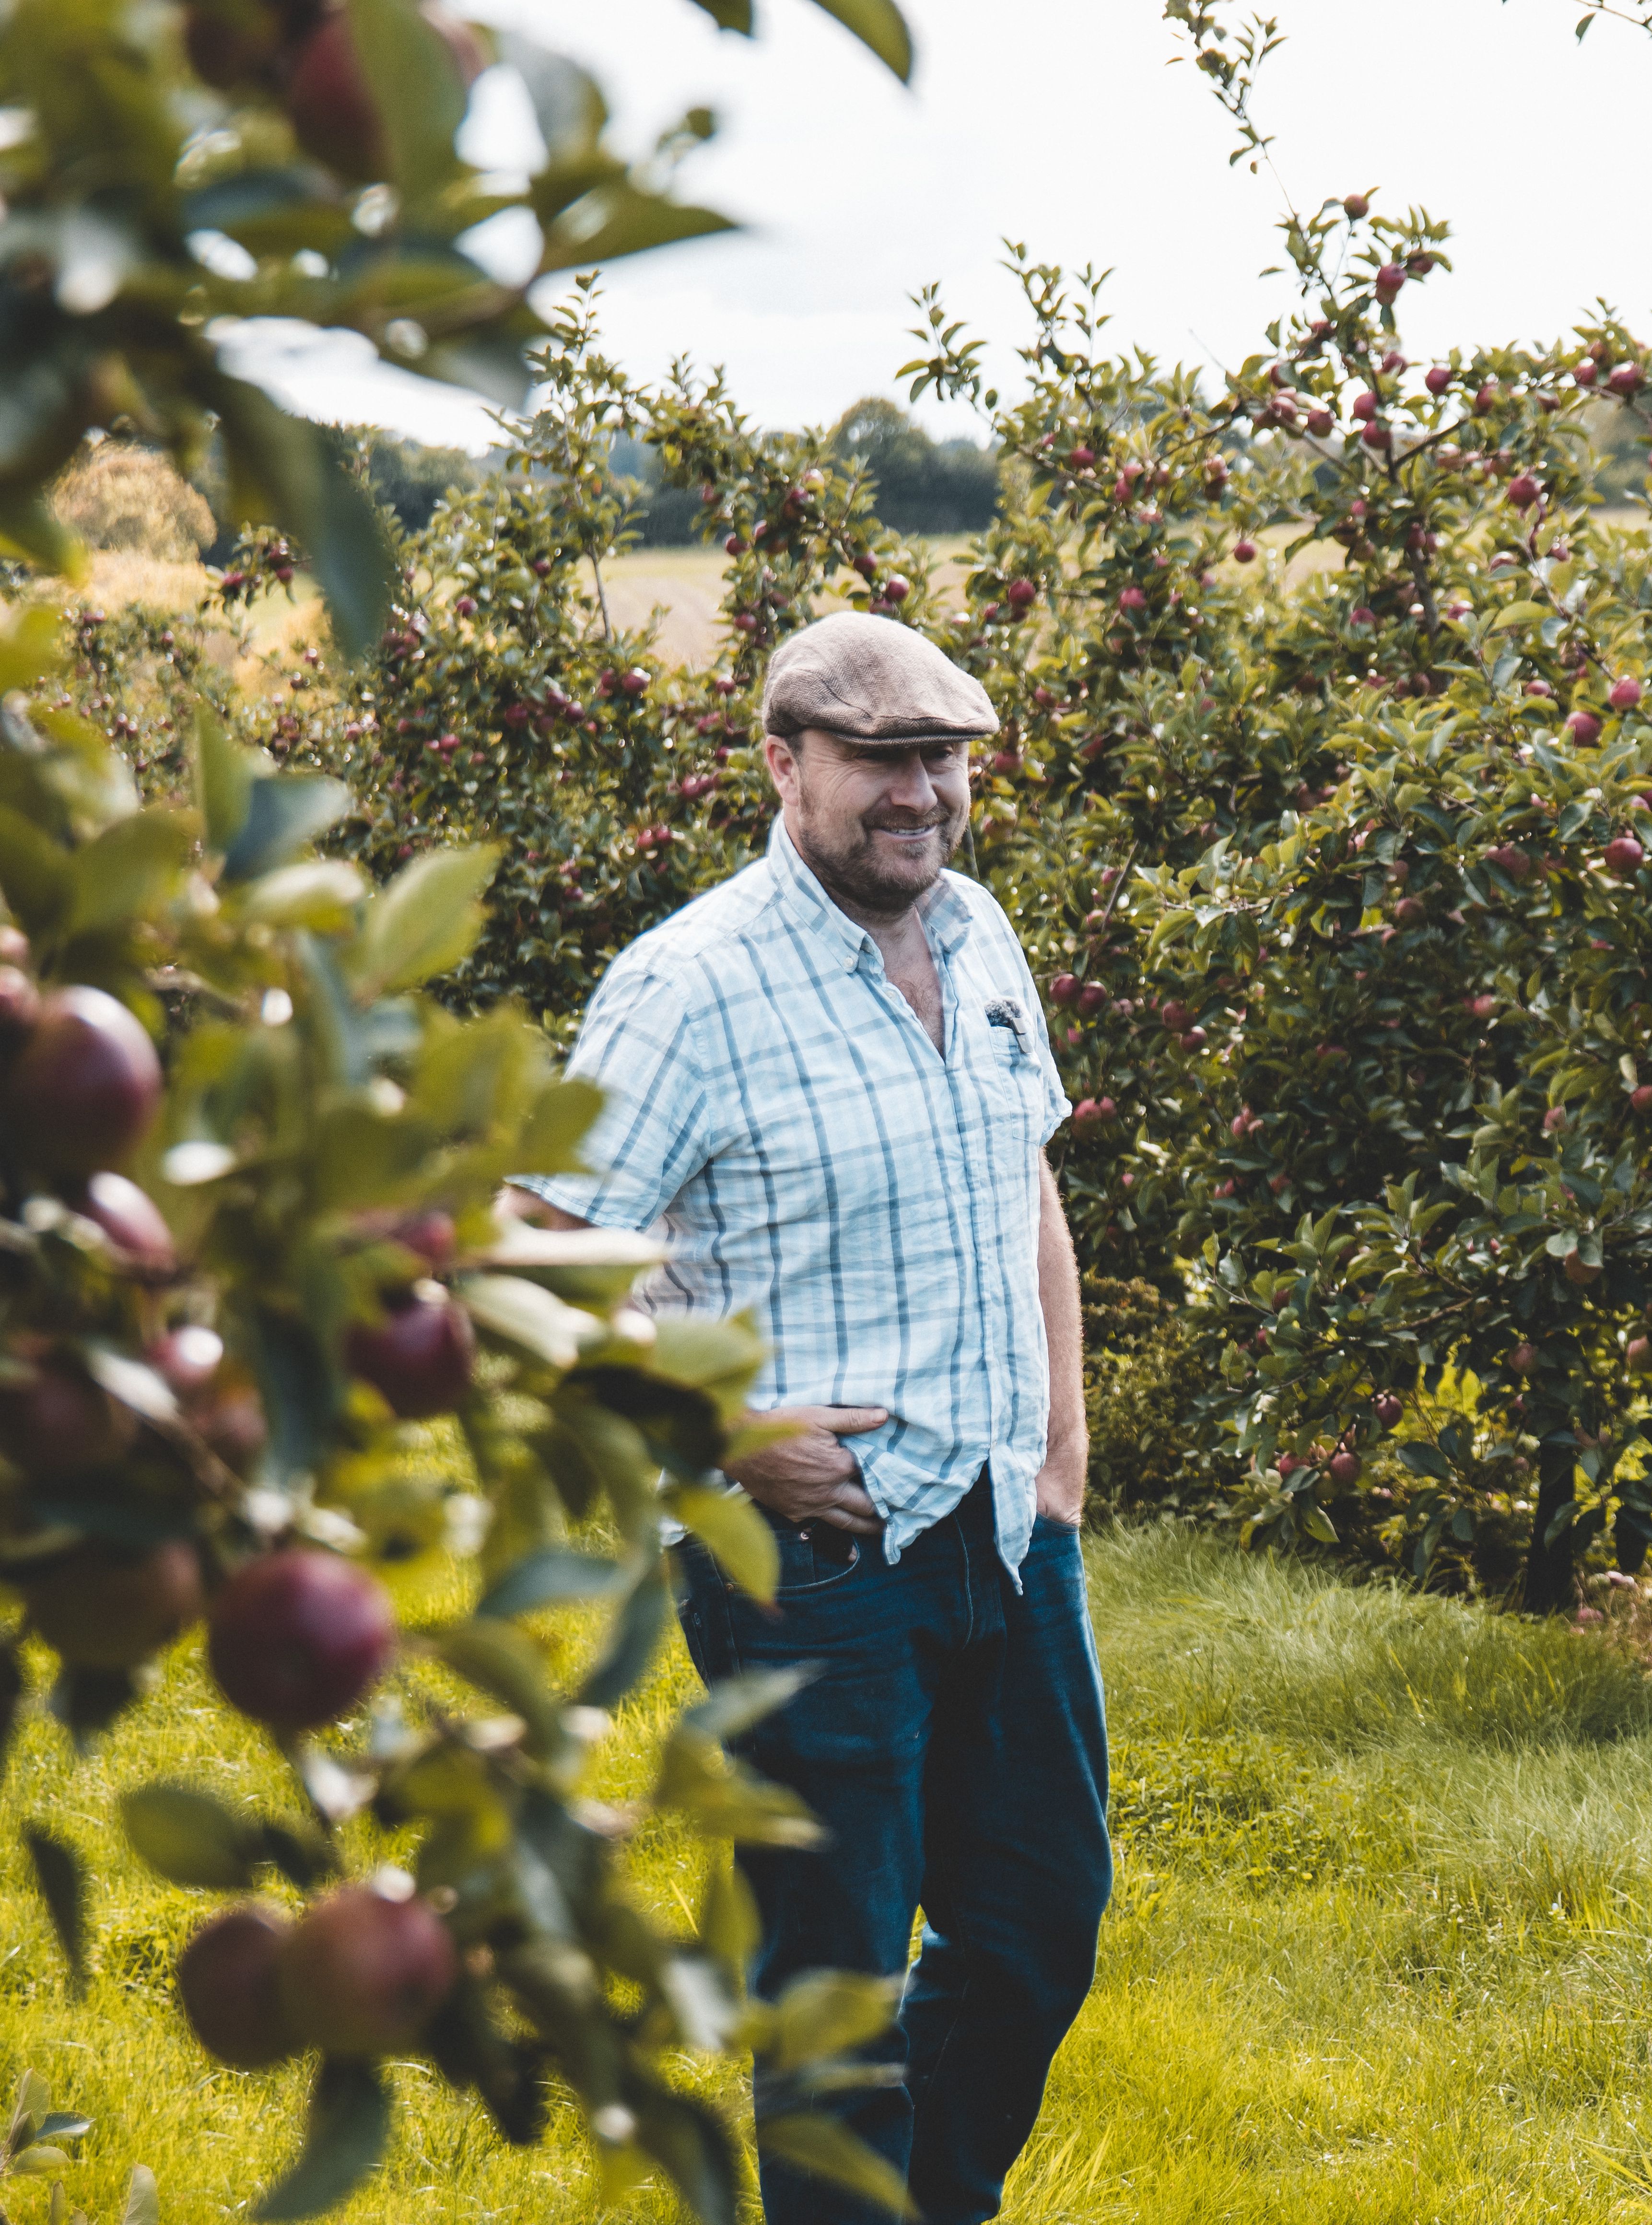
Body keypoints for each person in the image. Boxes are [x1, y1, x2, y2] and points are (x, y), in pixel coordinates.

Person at [511, 611, 1107, 2225]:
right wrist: (721, 1433)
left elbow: (1028, 1183)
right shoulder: (691, 986)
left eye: (946, 758)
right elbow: (540, 1249)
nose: (922, 793)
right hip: (812, 1562)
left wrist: (1062, 1443)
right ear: (784, 765)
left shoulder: (980, 931)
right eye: (883, 761)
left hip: (1002, 1527)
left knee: (1041, 1924)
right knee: (833, 1985)